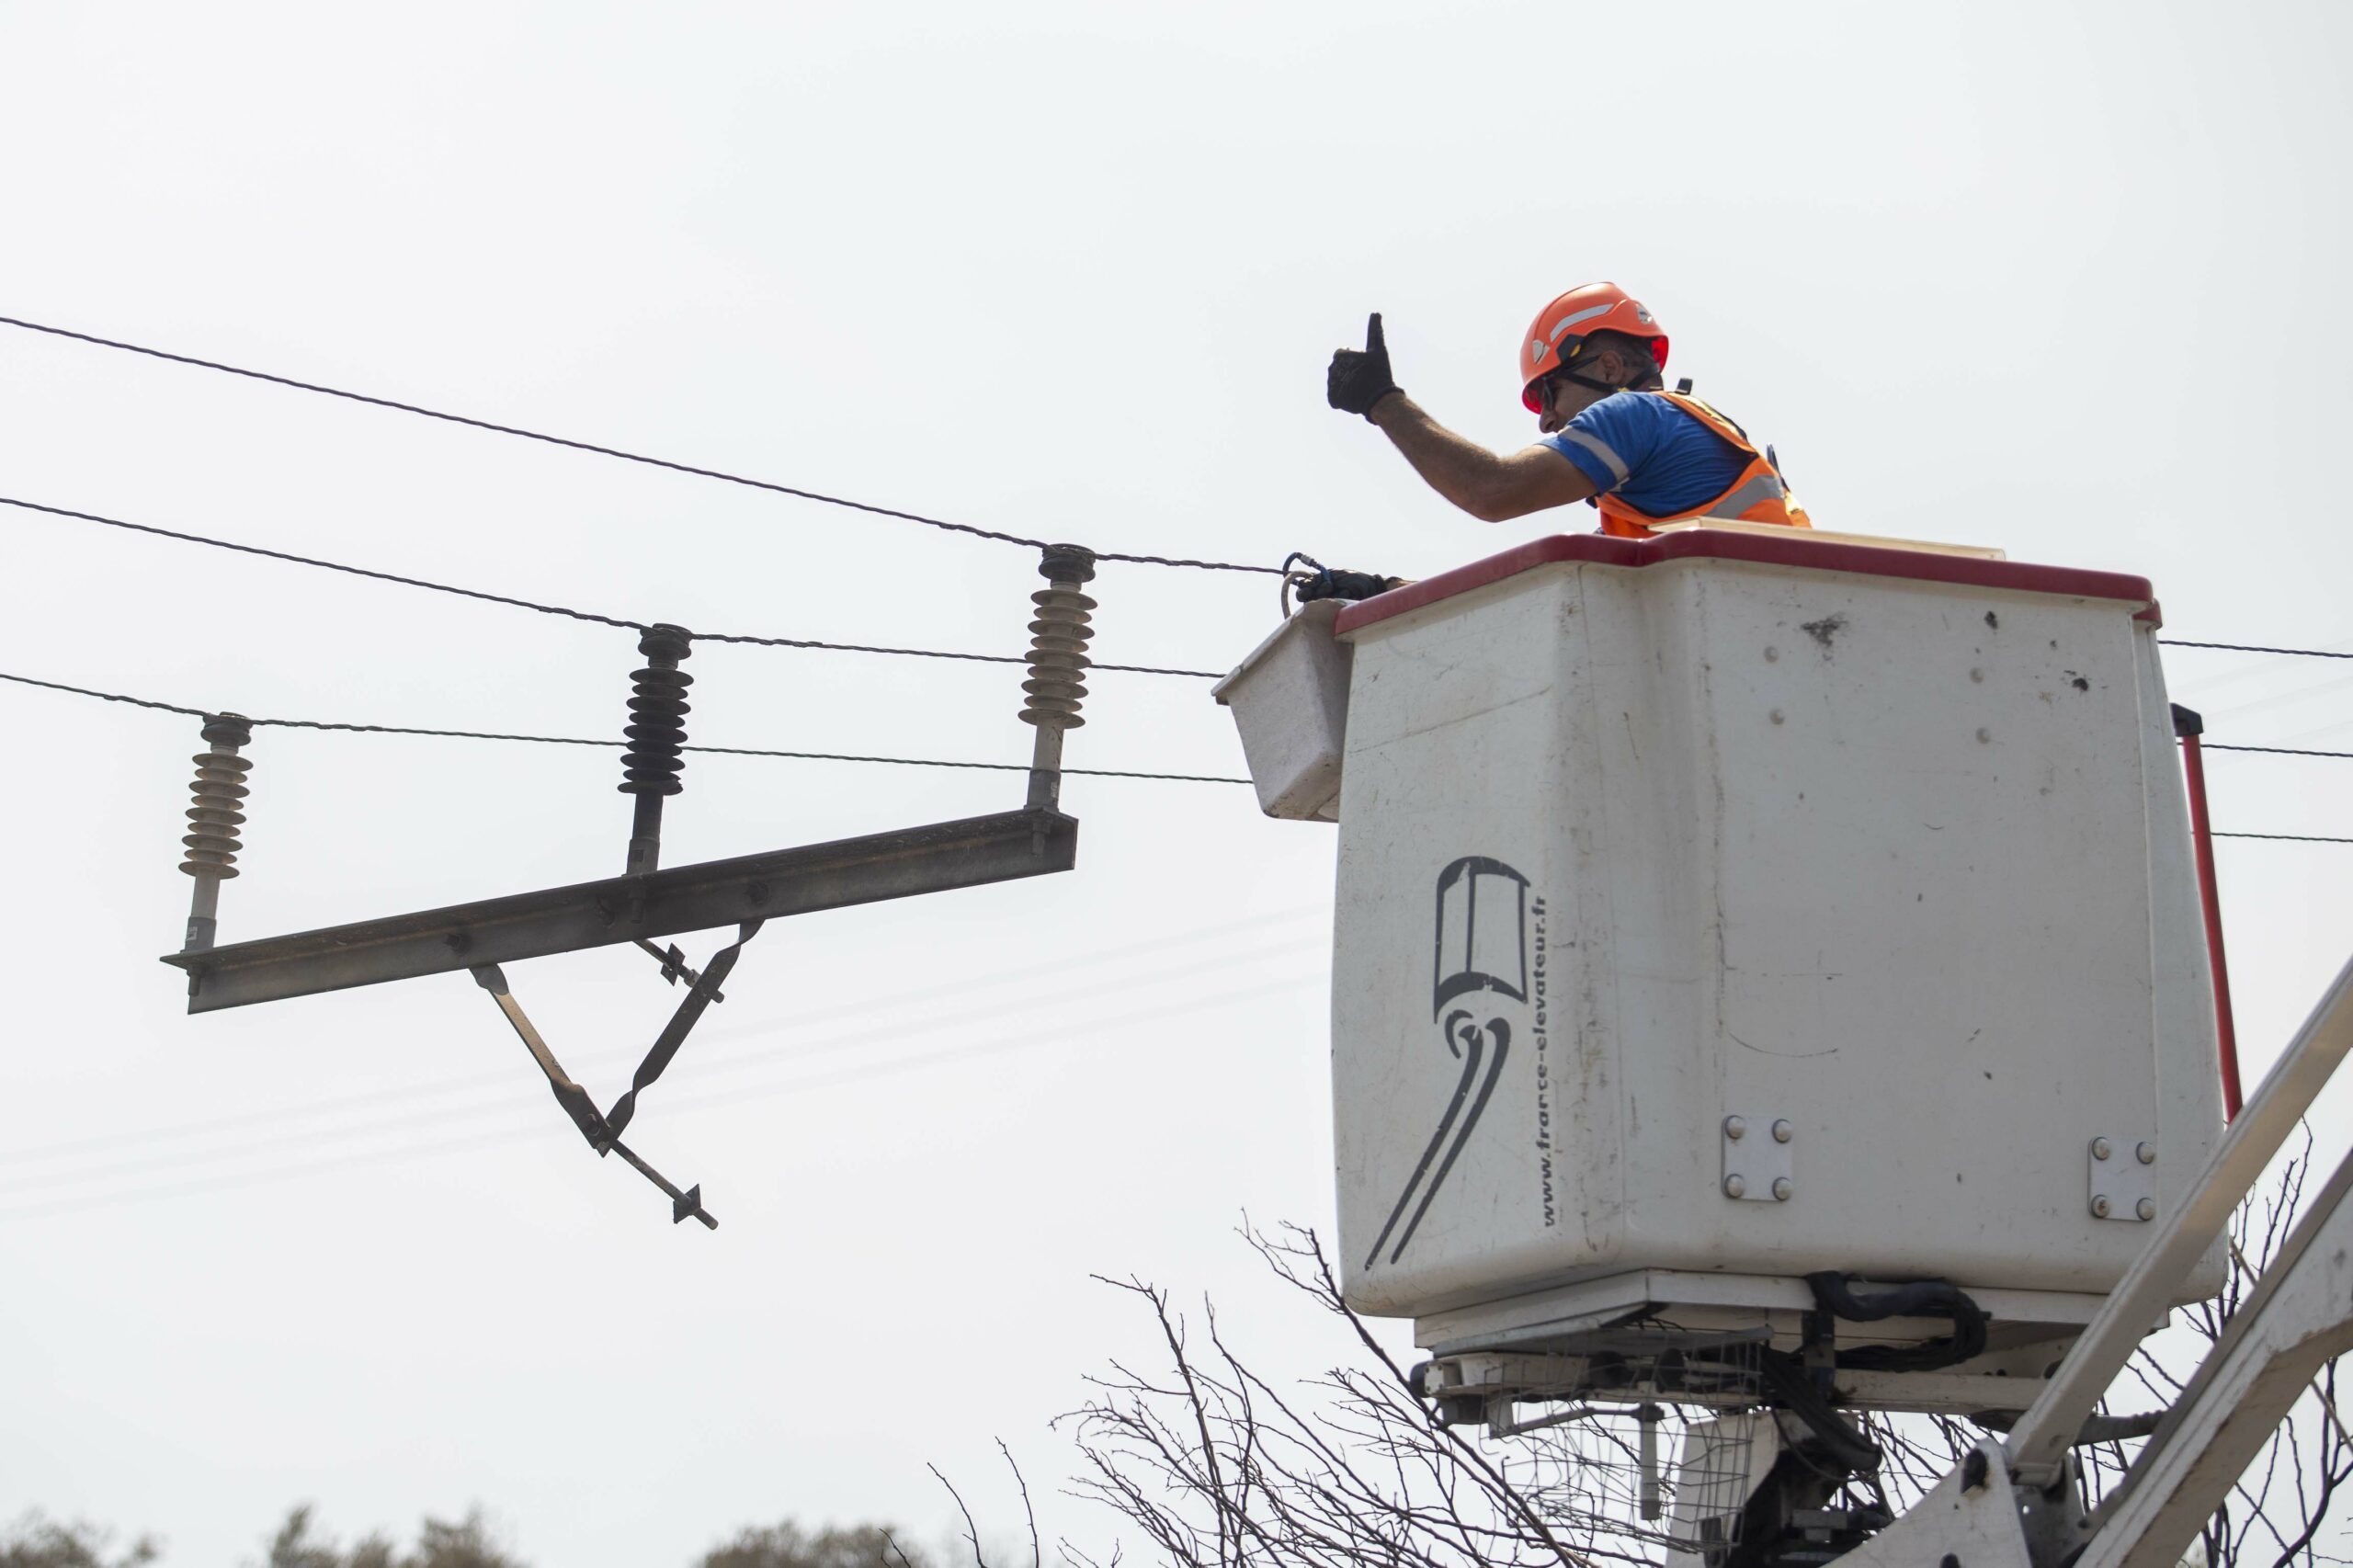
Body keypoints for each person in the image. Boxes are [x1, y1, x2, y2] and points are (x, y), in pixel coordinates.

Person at [1324, 283, 1809, 539]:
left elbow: (1492, 491)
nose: (1546, 419)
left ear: (1610, 368)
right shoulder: (1683, 447)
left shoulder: (1637, 414)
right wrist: (1386, 589)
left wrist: (1382, 401)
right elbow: (1536, 592)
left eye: (1550, 393)